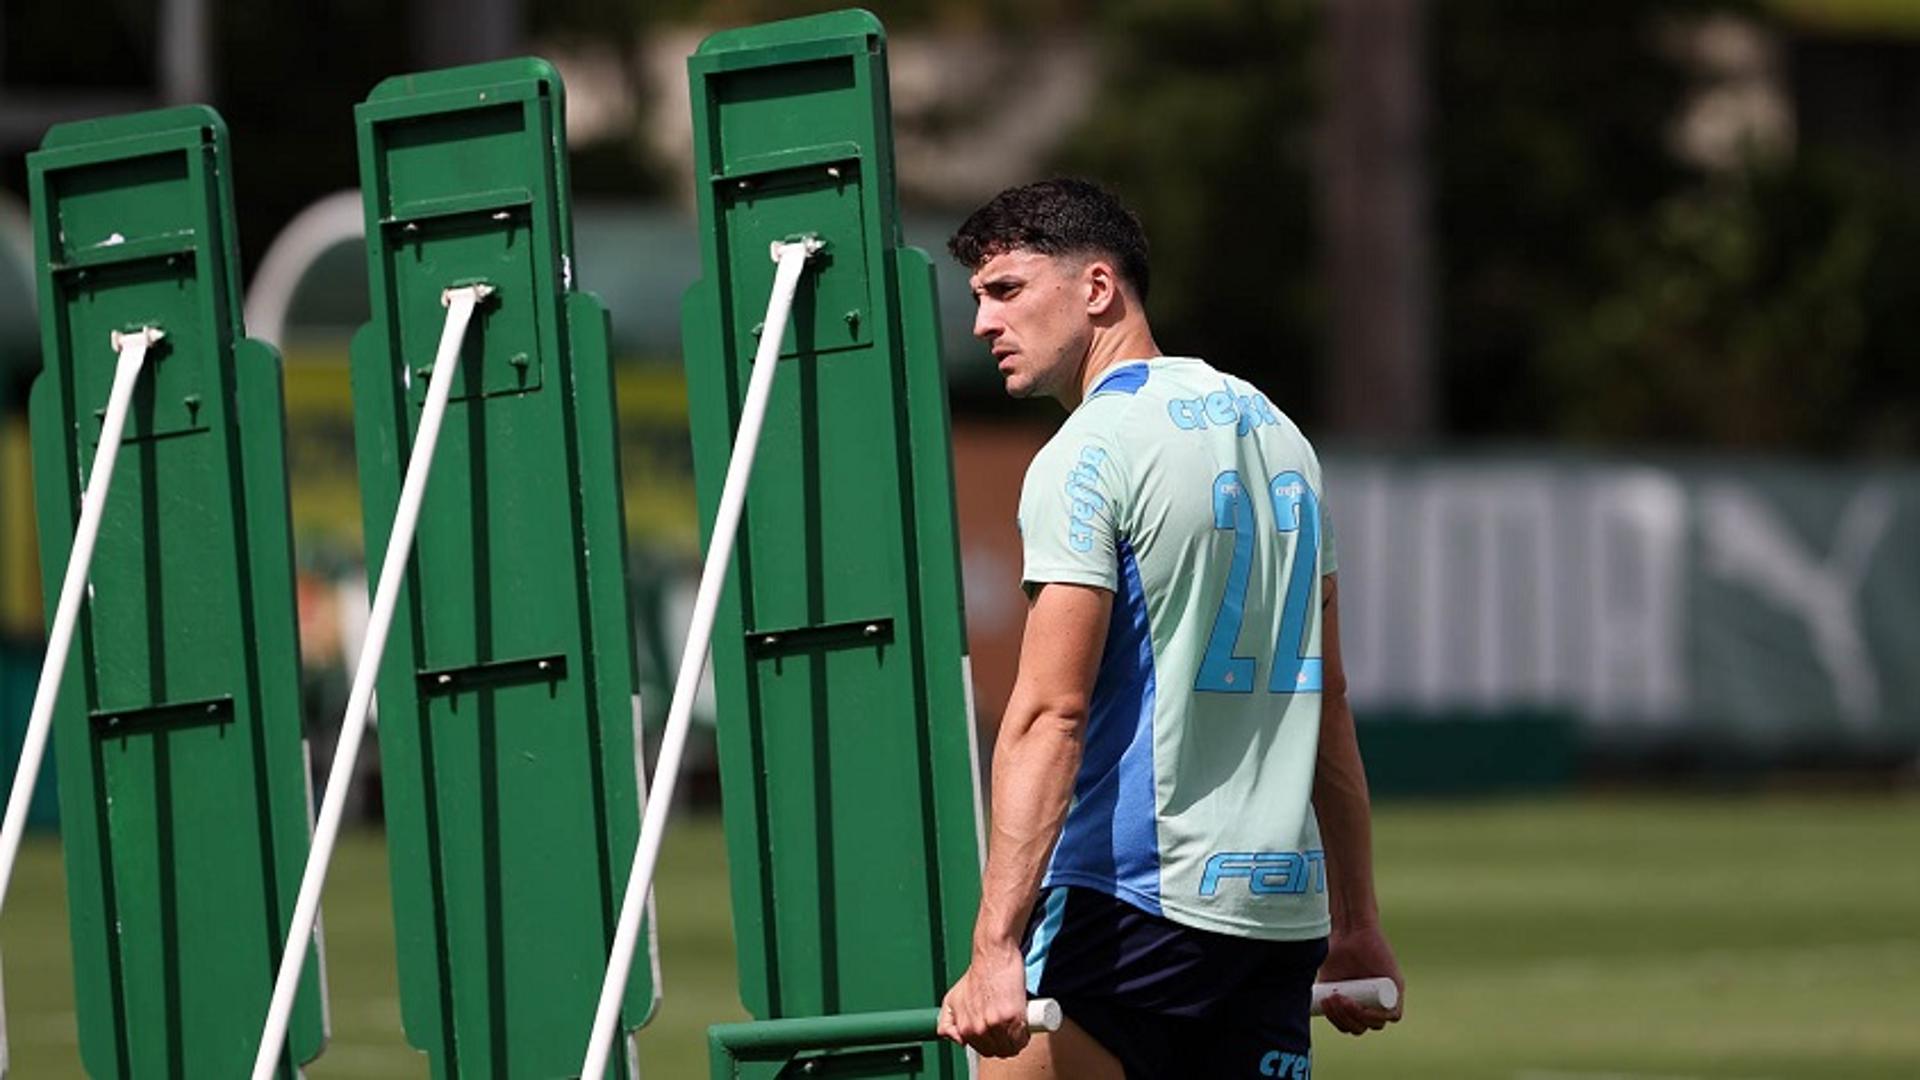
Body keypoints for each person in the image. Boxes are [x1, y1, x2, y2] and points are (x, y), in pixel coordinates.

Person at [935, 179, 1403, 1078]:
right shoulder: (1282, 438)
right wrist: (1357, 922)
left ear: (1098, 288)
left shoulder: (1088, 452)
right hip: (1276, 919)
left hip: (1132, 906)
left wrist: (996, 946)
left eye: (1006, 291)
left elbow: (1049, 715)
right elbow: (1328, 701)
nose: (984, 324)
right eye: (977, 300)